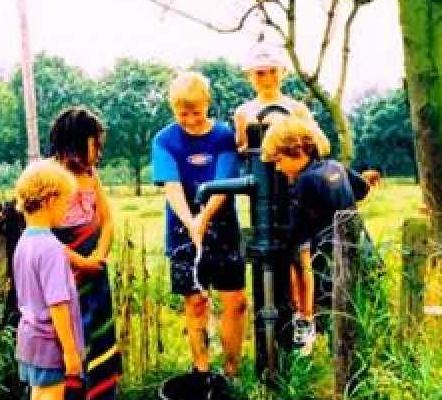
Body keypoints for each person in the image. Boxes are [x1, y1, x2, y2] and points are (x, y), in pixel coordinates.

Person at [152, 71, 248, 378]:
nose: (191, 120)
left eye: (196, 112)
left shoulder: (222, 136)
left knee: (235, 301)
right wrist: (190, 223)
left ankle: (232, 370)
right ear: (172, 109)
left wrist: (204, 219)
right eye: (183, 113)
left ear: (207, 103)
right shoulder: (164, 140)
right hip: (181, 229)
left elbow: (221, 183)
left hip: (222, 227)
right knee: (195, 301)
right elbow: (172, 186)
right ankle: (202, 370)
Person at [13, 159, 96, 400]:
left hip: (29, 337)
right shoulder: (49, 247)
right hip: (50, 341)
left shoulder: (26, 241)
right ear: (48, 200)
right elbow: (58, 304)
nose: (67, 208)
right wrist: (71, 350)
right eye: (65, 201)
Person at [261, 116, 380, 353]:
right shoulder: (335, 166)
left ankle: (342, 370)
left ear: (296, 150)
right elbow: (363, 189)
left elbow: (297, 238)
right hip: (365, 254)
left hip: (331, 266)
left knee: (338, 327)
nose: (277, 168)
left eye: (278, 160)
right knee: (366, 317)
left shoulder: (303, 183)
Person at [48, 106, 122, 400]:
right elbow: (41, 233)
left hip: (95, 275)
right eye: (95, 143)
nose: (99, 151)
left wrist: (98, 258)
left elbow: (106, 222)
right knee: (67, 348)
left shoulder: (93, 177)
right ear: (77, 142)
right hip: (62, 278)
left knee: (96, 341)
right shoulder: (50, 178)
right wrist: (79, 261)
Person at [233, 41, 322, 154]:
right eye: (260, 73)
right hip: (259, 170)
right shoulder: (242, 113)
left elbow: (323, 146)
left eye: (273, 71)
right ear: (249, 75)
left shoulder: (298, 109)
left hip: (294, 170)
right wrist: (244, 150)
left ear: (283, 72)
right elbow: (240, 152)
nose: (267, 78)